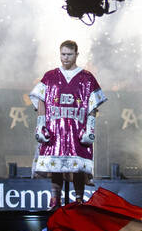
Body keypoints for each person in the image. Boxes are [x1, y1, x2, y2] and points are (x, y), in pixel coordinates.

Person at [29, 40, 107, 209]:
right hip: (55, 128)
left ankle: (79, 200)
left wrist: (90, 128)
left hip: (77, 129)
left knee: (78, 166)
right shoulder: (50, 76)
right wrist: (41, 124)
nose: (65, 58)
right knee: (56, 166)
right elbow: (41, 99)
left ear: (76, 55)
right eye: (63, 54)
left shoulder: (87, 78)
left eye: (69, 54)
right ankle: (54, 199)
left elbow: (93, 105)